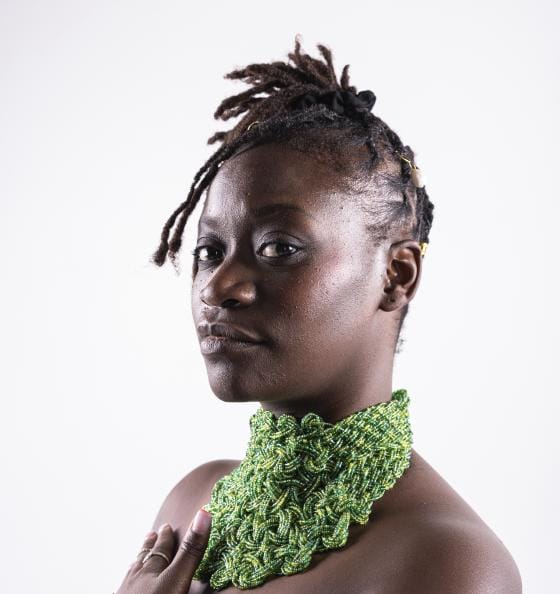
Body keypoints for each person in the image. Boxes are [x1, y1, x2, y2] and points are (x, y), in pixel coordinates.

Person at [115, 36, 522, 593]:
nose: (217, 287)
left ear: (396, 275)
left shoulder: (449, 565)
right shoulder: (190, 505)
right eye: (209, 251)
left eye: (279, 247)